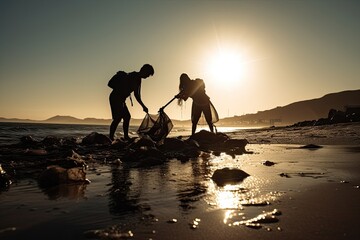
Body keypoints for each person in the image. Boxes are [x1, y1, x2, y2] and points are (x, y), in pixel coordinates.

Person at [108, 64, 154, 141]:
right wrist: (143, 106)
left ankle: (123, 136)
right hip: (115, 98)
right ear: (144, 70)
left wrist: (143, 106)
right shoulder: (134, 76)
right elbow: (136, 95)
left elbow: (137, 94)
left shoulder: (138, 79)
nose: (147, 76)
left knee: (126, 117)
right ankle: (111, 137)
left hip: (120, 99)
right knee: (118, 118)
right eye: (148, 74)